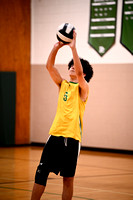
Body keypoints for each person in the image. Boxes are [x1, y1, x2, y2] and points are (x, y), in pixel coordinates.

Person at [31, 31, 93, 200]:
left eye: (75, 65)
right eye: (71, 65)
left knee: (67, 179)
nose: (72, 66)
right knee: (41, 172)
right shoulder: (63, 84)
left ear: (85, 74)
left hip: (72, 138)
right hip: (55, 135)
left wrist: (73, 48)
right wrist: (56, 47)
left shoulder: (83, 89)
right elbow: (49, 67)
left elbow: (79, 75)